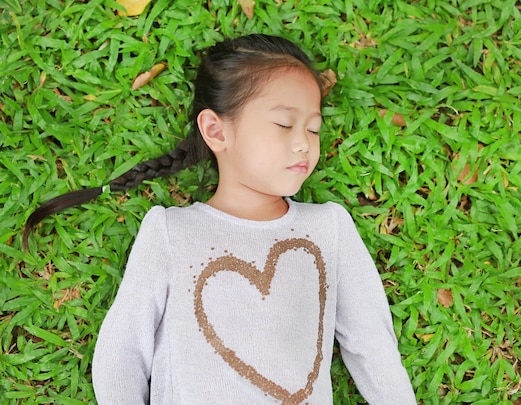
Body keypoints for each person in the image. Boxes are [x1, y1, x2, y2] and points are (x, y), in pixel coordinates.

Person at [24, 34, 416, 404]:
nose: (304, 143)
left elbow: (372, 345)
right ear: (216, 130)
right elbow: (124, 348)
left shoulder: (328, 227)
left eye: (313, 128)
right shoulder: (171, 231)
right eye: (284, 124)